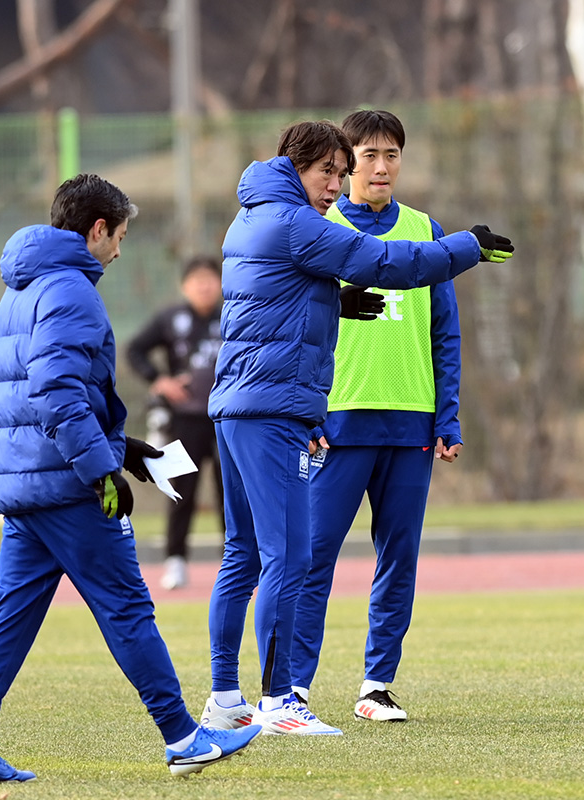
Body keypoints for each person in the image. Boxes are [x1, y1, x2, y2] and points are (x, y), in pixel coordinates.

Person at [0, 174, 260, 785]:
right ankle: (184, 738)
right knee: (127, 607)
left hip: (29, 483)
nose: (118, 249)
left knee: (11, 615)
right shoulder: (72, 288)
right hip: (70, 486)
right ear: (97, 229)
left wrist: (127, 450)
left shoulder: (21, 287)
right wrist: (101, 471)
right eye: (119, 236)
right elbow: (56, 392)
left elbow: (46, 394)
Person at [201, 120, 513, 737]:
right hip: (276, 413)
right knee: (292, 557)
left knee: (244, 555)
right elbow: (384, 262)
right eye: (329, 171)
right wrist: (466, 246)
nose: (336, 184)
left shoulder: (249, 216)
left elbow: (271, 300)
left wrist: (332, 305)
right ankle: (280, 701)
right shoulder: (297, 221)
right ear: (295, 165)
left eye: (341, 173)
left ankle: (226, 697)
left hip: (239, 406)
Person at [288, 110, 464, 724]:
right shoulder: (318, 226)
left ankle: (377, 686)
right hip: (336, 425)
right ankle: (292, 691)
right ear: (346, 162)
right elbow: (300, 329)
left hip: (411, 423)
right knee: (313, 558)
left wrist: (448, 417)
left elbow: (445, 331)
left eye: (392, 154)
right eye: (368, 155)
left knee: (399, 557)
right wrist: (306, 412)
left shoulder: (424, 229)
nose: (381, 167)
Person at [126, 255, 226, 590]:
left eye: (210, 279)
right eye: (197, 280)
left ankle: (235, 562)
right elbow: (134, 350)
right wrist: (159, 380)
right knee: (182, 491)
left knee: (231, 492)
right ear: (184, 286)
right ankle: (176, 561)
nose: (204, 286)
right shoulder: (171, 318)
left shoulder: (232, 315)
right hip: (185, 420)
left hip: (226, 419)